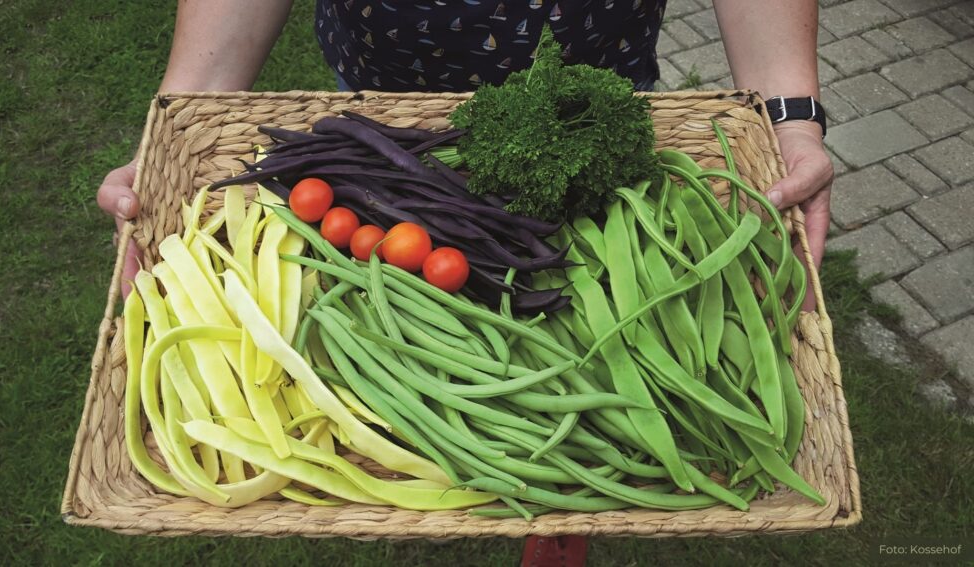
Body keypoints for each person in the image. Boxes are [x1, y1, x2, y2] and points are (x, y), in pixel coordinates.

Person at [96, 2, 833, 564]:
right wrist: (180, 117)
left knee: (576, 325)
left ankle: (560, 524)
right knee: (519, 333)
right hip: (388, 104)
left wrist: (791, 119)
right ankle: (559, 494)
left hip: (592, 106)